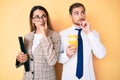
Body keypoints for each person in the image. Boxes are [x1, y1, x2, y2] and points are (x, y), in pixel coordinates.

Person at [58, 2, 106, 80]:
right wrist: (67, 55)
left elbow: (101, 54)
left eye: (82, 12)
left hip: (88, 77)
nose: (81, 16)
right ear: (70, 16)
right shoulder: (62, 34)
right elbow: (58, 58)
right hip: (69, 77)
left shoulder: (93, 33)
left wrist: (89, 33)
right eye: (76, 13)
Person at [16, 5, 60, 80]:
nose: (41, 20)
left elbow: (52, 61)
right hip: (28, 77)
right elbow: (27, 59)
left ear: (47, 18)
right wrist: (19, 59)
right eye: (37, 17)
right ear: (32, 20)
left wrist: (45, 36)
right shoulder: (27, 37)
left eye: (43, 16)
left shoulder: (55, 35)